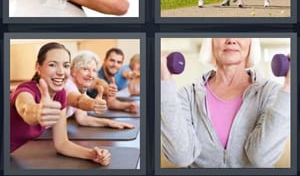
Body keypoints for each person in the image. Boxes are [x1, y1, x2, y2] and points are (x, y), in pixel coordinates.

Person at [161, 38, 290, 168]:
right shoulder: (188, 96)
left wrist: (290, 86)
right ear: (210, 41)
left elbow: (262, 158)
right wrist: (164, 82)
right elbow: (180, 157)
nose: (231, 40)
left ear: (251, 42)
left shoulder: (270, 92)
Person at [10, 42, 111, 166]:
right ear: (38, 67)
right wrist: (37, 112)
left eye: (66, 65)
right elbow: (26, 109)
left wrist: (91, 154)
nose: (61, 72)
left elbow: (62, 143)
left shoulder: (60, 94)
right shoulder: (25, 90)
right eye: (52, 65)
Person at [65, 50, 134, 129]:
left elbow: (82, 119)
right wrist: (92, 104)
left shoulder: (81, 87)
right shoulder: (68, 85)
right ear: (73, 71)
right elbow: (78, 100)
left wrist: (109, 122)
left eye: (94, 70)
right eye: (85, 69)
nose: (91, 75)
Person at [87, 48, 139, 113]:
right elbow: (98, 82)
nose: (115, 65)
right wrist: (108, 89)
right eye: (112, 60)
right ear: (105, 60)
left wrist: (128, 106)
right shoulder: (96, 75)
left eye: (119, 62)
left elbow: (111, 102)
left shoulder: (112, 78)